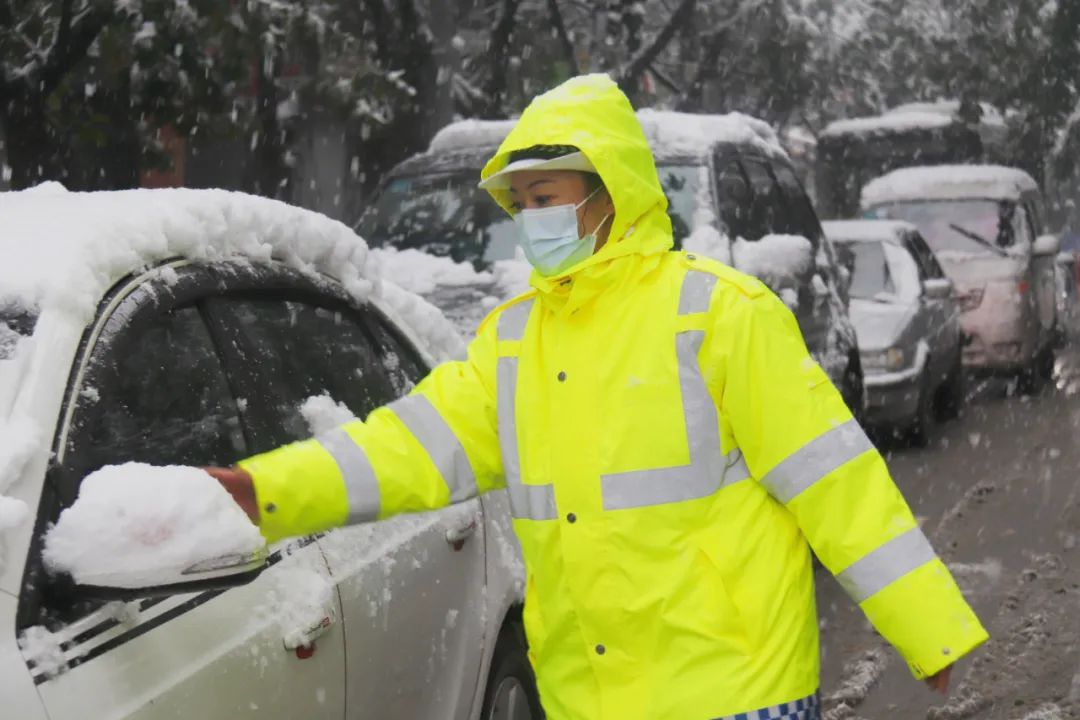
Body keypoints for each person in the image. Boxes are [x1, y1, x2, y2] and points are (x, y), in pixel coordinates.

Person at [207, 74, 987, 720]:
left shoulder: (718, 314)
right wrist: (264, 492)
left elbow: (835, 480)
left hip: (732, 691)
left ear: (610, 188)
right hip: (590, 699)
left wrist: (928, 628)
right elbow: (404, 447)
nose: (534, 220)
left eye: (549, 196)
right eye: (523, 204)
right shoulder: (515, 344)